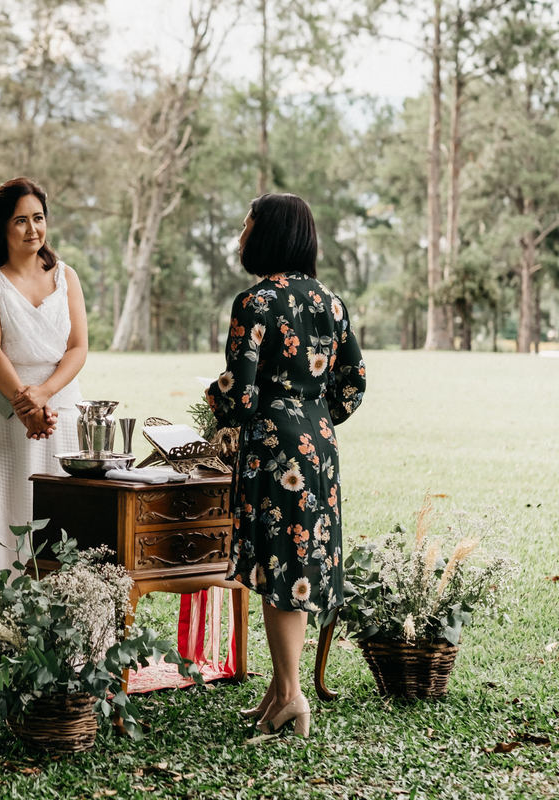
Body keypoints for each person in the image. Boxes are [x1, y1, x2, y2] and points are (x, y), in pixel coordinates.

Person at [205, 193, 366, 737]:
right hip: (318, 449)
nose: (242, 232)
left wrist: (216, 398)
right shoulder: (333, 301)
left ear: (267, 234)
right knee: (299, 567)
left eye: (247, 223)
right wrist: (316, 417)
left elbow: (240, 393)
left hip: (274, 452)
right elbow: (354, 384)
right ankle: (278, 690)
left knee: (280, 572)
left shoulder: (254, 303)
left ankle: (293, 698)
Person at [0, 177, 88, 632]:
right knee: (8, 511)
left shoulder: (66, 276)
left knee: (66, 519)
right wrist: (25, 406)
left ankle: (62, 629)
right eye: (20, 220)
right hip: (11, 417)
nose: (32, 230)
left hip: (62, 412)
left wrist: (44, 396)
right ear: (1, 227)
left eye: (38, 219)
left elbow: (79, 348)